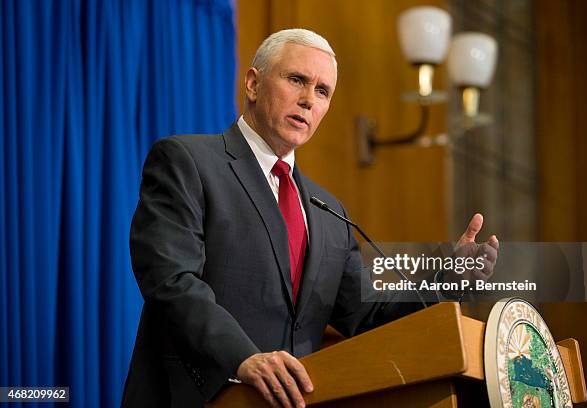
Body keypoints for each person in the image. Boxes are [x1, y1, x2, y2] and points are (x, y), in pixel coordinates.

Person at [121, 29, 498, 408]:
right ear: (253, 84)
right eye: (297, 80)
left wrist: (446, 279)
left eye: (322, 92)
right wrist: (243, 357)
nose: (307, 100)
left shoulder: (327, 210)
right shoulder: (188, 162)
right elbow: (171, 280)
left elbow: (368, 315)